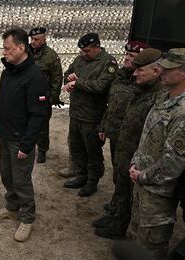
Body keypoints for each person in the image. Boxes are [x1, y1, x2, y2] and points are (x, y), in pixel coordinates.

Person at [95, 48, 163, 239]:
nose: (134, 73)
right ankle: (115, 216)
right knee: (120, 185)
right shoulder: (142, 89)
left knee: (128, 191)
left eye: (140, 70)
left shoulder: (158, 97)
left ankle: (118, 226)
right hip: (125, 146)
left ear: (156, 71)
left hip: (138, 155)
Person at [0, 28, 48, 242]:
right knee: (6, 174)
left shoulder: (35, 76)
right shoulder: (8, 71)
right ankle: (12, 207)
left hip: (21, 140)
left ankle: (27, 217)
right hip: (6, 135)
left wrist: (27, 145)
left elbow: (40, 114)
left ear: (21, 48)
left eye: (7, 48)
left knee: (21, 180)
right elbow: (5, 104)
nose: (4, 52)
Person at [129, 48, 185, 260]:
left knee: (151, 245)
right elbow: (147, 136)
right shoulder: (163, 97)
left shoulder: (182, 112)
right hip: (142, 181)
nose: (161, 71)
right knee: (137, 235)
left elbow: (173, 164)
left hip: (158, 192)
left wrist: (142, 176)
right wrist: (136, 162)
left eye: (168, 69)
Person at [62, 33, 118, 197]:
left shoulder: (108, 62)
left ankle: (92, 181)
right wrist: (70, 78)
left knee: (92, 150)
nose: (83, 54)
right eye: (82, 51)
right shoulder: (80, 59)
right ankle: (82, 175)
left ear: (97, 47)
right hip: (76, 112)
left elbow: (101, 86)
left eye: (87, 51)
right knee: (77, 147)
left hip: (93, 116)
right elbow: (68, 73)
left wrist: (77, 82)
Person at [28, 27, 63, 163]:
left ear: (44, 39)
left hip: (43, 97)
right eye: (32, 39)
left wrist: (52, 98)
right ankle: (28, 147)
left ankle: (42, 149)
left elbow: (57, 79)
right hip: (27, 95)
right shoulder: (25, 52)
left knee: (42, 126)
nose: (33, 42)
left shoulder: (51, 56)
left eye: (36, 39)